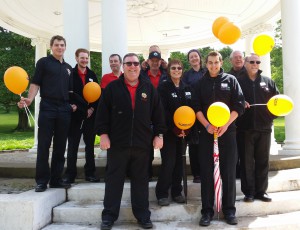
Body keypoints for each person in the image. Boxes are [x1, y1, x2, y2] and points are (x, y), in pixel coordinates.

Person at [95, 53, 166, 230]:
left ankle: (143, 216)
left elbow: (158, 115)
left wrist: (159, 135)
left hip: (142, 145)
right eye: (129, 63)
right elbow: (102, 113)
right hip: (118, 144)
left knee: (141, 182)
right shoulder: (112, 88)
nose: (133, 66)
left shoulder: (148, 88)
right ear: (123, 66)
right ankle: (109, 216)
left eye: (135, 63)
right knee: (114, 181)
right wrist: (103, 134)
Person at [192, 51, 244, 226]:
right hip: (206, 133)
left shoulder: (231, 80)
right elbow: (196, 108)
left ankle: (229, 211)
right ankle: (207, 212)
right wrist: (207, 125)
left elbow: (239, 105)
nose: (213, 66)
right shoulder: (200, 83)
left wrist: (226, 124)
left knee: (228, 172)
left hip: (227, 133)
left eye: (216, 62)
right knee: (207, 173)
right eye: (210, 62)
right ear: (206, 64)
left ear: (221, 62)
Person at [17, 35, 73, 192]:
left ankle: (56, 180)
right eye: (56, 45)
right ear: (51, 46)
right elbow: (35, 83)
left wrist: (72, 106)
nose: (59, 47)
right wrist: (29, 99)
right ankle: (41, 181)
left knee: (61, 146)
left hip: (64, 109)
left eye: (62, 45)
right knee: (43, 145)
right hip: (48, 106)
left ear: (65, 47)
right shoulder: (43, 63)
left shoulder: (68, 68)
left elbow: (71, 91)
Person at [236, 53, 279, 203]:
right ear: (245, 63)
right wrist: (241, 103)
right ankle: (249, 192)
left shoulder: (268, 82)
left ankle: (261, 191)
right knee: (246, 162)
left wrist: (270, 118)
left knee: (263, 161)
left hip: (264, 128)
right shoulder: (238, 81)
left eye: (258, 62)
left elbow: (278, 103)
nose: (255, 64)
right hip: (244, 128)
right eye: (252, 61)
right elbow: (232, 101)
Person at [155, 59, 192, 206]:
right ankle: (162, 193)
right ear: (169, 70)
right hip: (170, 132)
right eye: (173, 68)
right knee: (169, 163)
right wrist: (175, 128)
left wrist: (186, 129)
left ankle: (177, 192)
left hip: (184, 133)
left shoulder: (187, 88)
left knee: (179, 163)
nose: (176, 70)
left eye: (179, 68)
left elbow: (191, 110)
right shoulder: (163, 88)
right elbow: (163, 111)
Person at [63, 48, 100, 184]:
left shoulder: (92, 74)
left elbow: (97, 94)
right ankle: (70, 174)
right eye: (82, 58)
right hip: (75, 116)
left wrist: (92, 108)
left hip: (89, 116)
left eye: (86, 58)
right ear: (76, 58)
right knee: (72, 146)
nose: (84, 60)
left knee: (90, 146)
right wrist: (71, 106)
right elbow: (67, 94)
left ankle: (90, 173)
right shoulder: (70, 74)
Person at [141, 49, 168, 181]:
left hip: (163, 114)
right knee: (147, 148)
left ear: (161, 62)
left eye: (158, 61)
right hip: (146, 113)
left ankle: (164, 177)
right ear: (148, 61)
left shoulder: (166, 74)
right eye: (153, 61)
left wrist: (167, 67)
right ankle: (147, 174)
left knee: (164, 147)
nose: (155, 63)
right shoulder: (142, 75)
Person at [182, 49, 206, 183]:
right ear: (189, 60)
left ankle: (207, 170)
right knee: (194, 144)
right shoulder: (186, 75)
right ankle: (197, 173)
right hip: (192, 112)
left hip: (207, 112)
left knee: (206, 143)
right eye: (191, 57)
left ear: (199, 58)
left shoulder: (206, 71)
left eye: (195, 56)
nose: (194, 59)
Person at [227, 50, 247, 179]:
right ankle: (235, 172)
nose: (238, 59)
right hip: (232, 118)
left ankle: (244, 173)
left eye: (240, 57)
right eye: (235, 58)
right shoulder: (227, 76)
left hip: (247, 118)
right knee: (233, 149)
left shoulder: (250, 73)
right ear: (231, 61)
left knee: (245, 148)